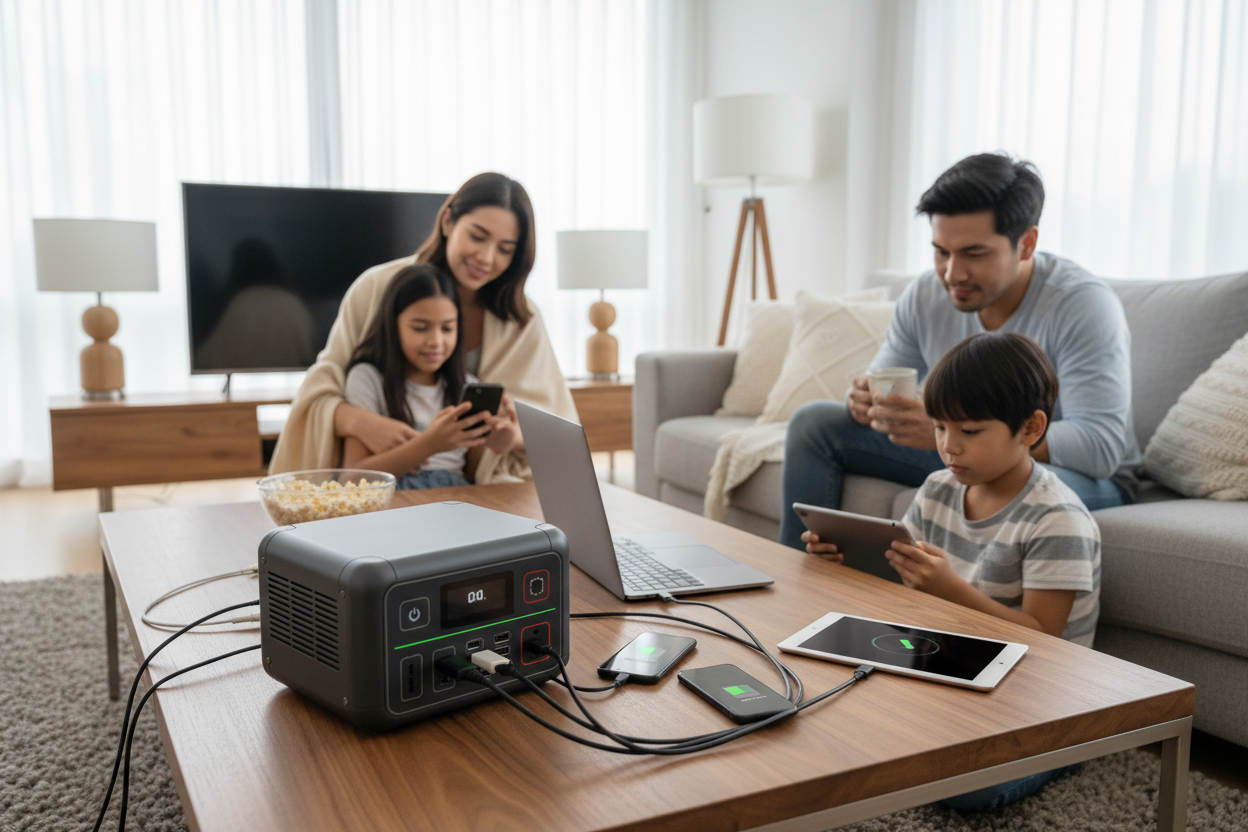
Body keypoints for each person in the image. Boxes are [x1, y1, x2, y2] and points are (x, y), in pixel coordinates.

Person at [779, 152, 1139, 551]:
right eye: (941, 252)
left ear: (1026, 244)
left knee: (993, 484)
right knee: (814, 423)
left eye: (973, 254)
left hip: (1079, 475)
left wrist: (952, 428)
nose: (952, 274)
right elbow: (887, 378)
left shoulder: (1081, 305)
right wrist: (865, 402)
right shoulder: (925, 296)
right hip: (961, 447)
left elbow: (1101, 445)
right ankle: (801, 576)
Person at [804, 331, 1099, 810]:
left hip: (1041, 694)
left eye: (969, 432)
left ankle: (1069, 749)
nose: (948, 447)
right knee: (835, 706)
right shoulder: (938, 489)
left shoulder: (1056, 517)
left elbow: (1046, 639)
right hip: (961, 666)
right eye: (940, 427)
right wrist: (846, 560)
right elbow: (905, 587)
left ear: (1030, 428)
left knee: (963, 786)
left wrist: (949, 589)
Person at [270, 172, 577, 481]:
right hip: (383, 479)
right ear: (447, 221)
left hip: (483, 484)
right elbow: (321, 391)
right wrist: (361, 423)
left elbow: (555, 433)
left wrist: (510, 437)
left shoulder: (520, 317)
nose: (486, 258)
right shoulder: (375, 289)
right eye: (477, 237)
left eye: (505, 249)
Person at [340, 263, 520, 489]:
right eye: (420, 328)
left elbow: (471, 473)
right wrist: (429, 444)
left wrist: (495, 440)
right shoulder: (368, 379)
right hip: (399, 496)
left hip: (456, 493)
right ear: (393, 325)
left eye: (447, 329)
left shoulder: (465, 385)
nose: (436, 341)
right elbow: (352, 479)